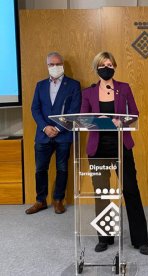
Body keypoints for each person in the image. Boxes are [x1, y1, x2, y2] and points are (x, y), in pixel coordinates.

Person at [81, 51, 148, 255]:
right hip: (98, 146)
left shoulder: (124, 88)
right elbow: (83, 118)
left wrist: (122, 121)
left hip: (121, 144)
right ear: (97, 68)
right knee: (102, 192)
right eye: (103, 65)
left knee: (130, 189)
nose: (107, 67)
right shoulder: (88, 93)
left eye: (110, 64)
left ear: (115, 66)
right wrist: (99, 118)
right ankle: (105, 237)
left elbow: (134, 113)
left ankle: (141, 240)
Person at [26, 52, 81, 215]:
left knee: (62, 168)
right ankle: (40, 200)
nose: (55, 67)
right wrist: (45, 127)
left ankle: (58, 200)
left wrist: (58, 128)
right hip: (43, 135)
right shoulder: (40, 85)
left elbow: (74, 110)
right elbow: (35, 108)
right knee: (40, 169)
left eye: (58, 64)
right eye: (51, 64)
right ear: (47, 66)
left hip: (63, 135)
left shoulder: (73, 85)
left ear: (62, 64)